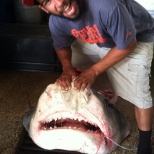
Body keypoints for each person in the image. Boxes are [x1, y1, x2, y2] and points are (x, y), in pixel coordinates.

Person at [22, 0, 154, 153]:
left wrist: (93, 71)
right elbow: (61, 46)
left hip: (136, 38)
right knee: (75, 60)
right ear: (44, 8)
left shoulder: (106, 5)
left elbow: (128, 44)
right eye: (49, 1)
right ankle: (83, 100)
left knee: (139, 95)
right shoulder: (56, 20)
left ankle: (145, 145)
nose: (59, 1)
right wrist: (67, 69)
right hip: (100, 37)